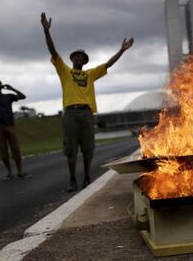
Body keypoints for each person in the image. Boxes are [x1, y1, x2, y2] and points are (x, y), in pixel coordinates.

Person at [40, 12, 134, 192]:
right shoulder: (65, 71)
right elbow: (53, 51)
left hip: (87, 113)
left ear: (85, 61)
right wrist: (46, 31)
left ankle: (88, 177)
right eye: (76, 57)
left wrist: (122, 50)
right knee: (71, 149)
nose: (79, 59)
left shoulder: (90, 74)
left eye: (82, 57)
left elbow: (108, 64)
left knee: (88, 148)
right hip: (70, 113)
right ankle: (73, 179)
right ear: (72, 59)